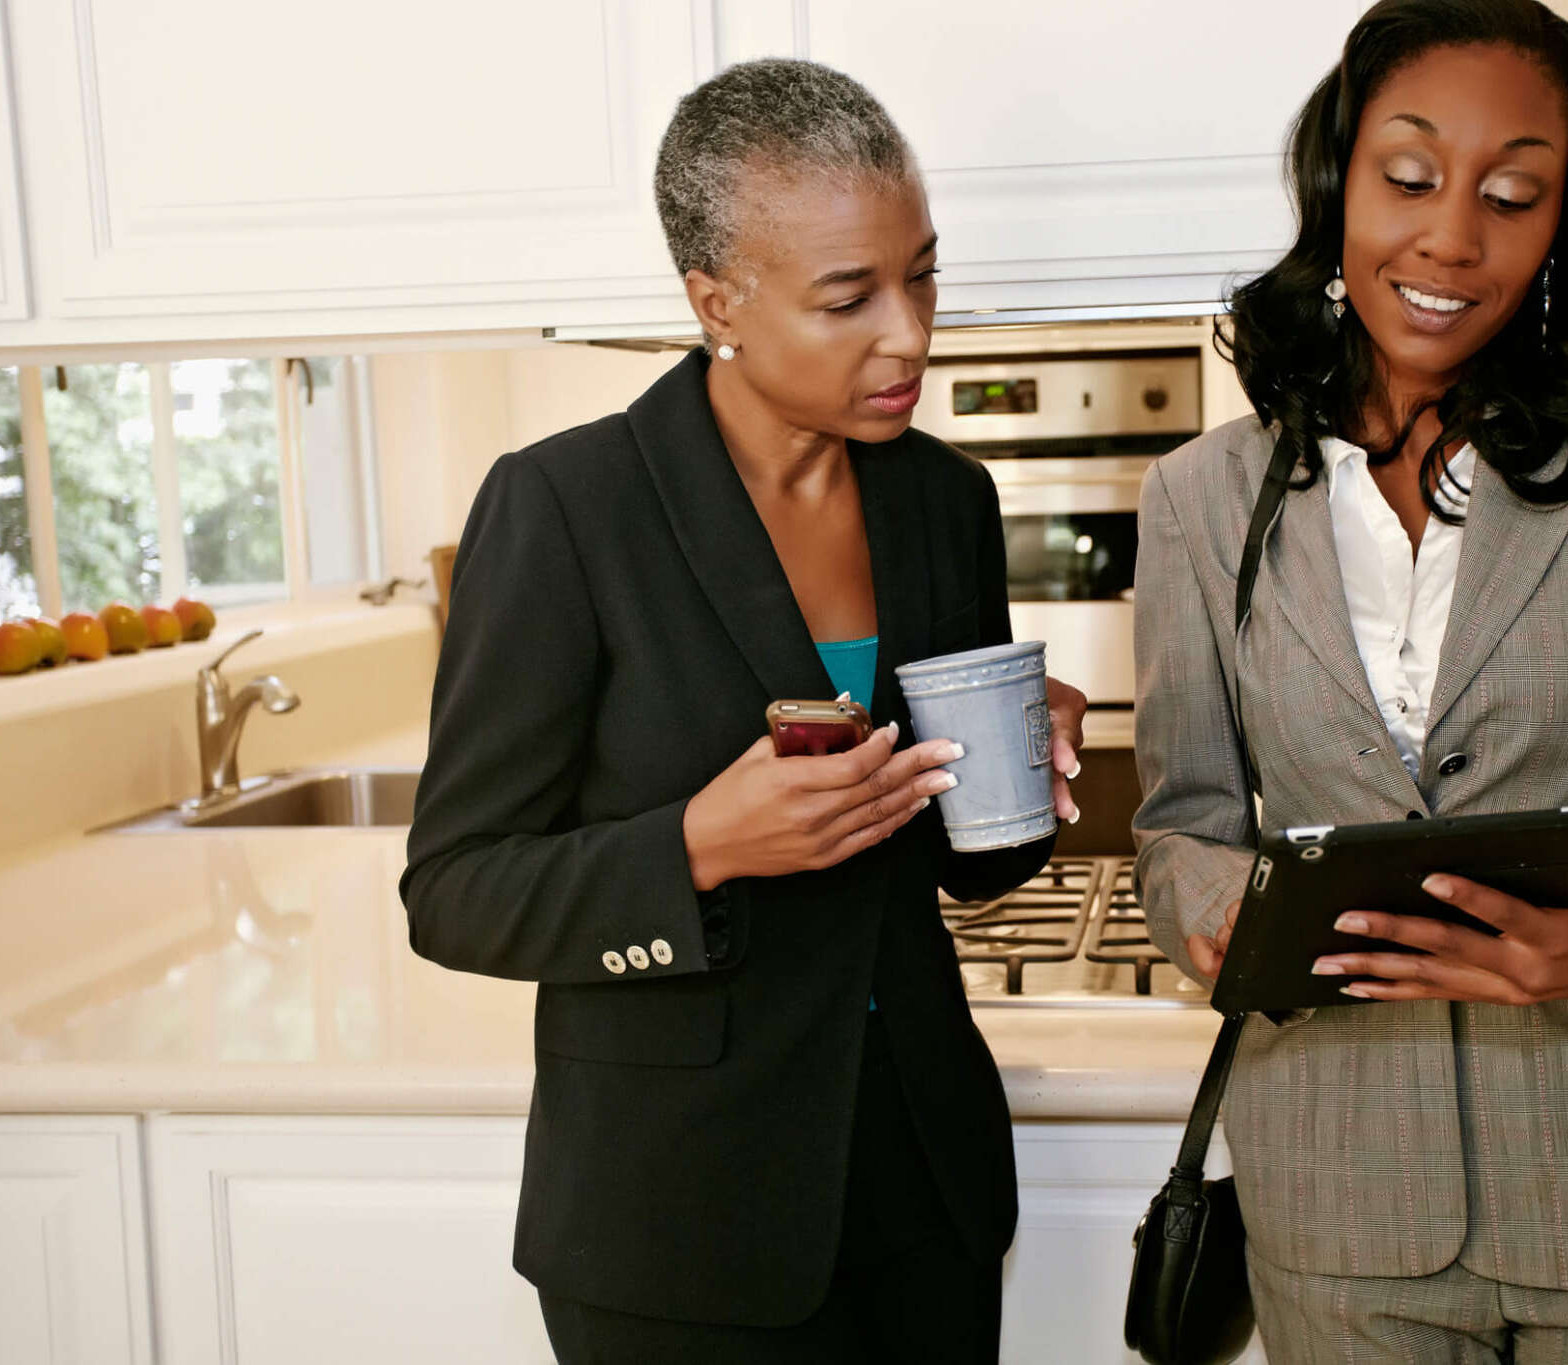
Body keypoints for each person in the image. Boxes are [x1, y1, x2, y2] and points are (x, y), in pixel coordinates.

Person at [1131, 2, 1568, 1360]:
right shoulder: (1202, 497)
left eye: (1512, 194)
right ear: (1336, 184)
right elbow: (1182, 823)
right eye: (1407, 178)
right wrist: (1225, 914)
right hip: (1340, 1205)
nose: (1451, 237)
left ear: (1564, 221)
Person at [401, 58, 1087, 1364]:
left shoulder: (946, 500)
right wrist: (701, 844)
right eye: (850, 297)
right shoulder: (565, 510)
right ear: (716, 299)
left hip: (925, 1194)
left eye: (922, 274)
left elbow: (970, 869)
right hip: (677, 1224)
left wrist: (1021, 765)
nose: (910, 333)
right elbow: (458, 888)